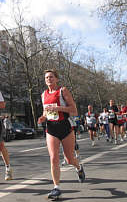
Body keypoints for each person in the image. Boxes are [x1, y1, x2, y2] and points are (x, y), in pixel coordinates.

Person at [38, 69, 85, 200]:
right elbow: (45, 112)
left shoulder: (62, 91)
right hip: (51, 128)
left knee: (69, 159)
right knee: (53, 158)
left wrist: (58, 108)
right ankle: (56, 188)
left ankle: (78, 167)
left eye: (51, 77)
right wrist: (42, 117)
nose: (49, 79)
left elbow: (74, 110)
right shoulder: (43, 95)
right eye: (46, 77)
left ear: (57, 79)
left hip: (65, 127)